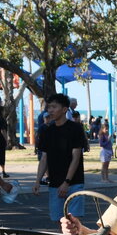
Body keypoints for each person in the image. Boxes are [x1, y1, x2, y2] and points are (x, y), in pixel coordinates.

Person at [33, 93, 86, 222]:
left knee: (74, 223)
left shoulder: (75, 128)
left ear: (64, 109)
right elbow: (44, 158)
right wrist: (37, 180)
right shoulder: (46, 131)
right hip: (54, 183)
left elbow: (76, 157)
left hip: (74, 183)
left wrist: (66, 182)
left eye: (54, 107)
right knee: (59, 221)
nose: (50, 110)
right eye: (49, 107)